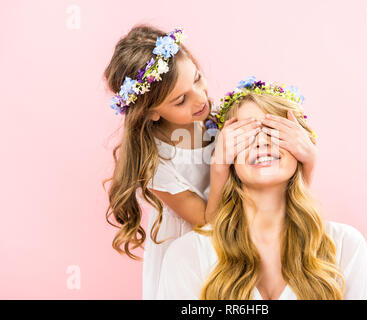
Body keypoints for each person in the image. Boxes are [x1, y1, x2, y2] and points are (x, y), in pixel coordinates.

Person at [102, 26, 318, 299]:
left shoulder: (217, 119)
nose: (200, 98)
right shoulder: (156, 164)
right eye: (181, 100)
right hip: (198, 239)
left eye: (197, 79)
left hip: (241, 232)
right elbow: (208, 225)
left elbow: (283, 191)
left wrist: (308, 160)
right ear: (151, 114)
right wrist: (218, 167)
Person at [157, 79, 367, 300]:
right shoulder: (187, 255)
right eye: (247, 134)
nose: (261, 142)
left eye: (275, 131)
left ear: (301, 147)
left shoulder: (346, 246)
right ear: (227, 158)